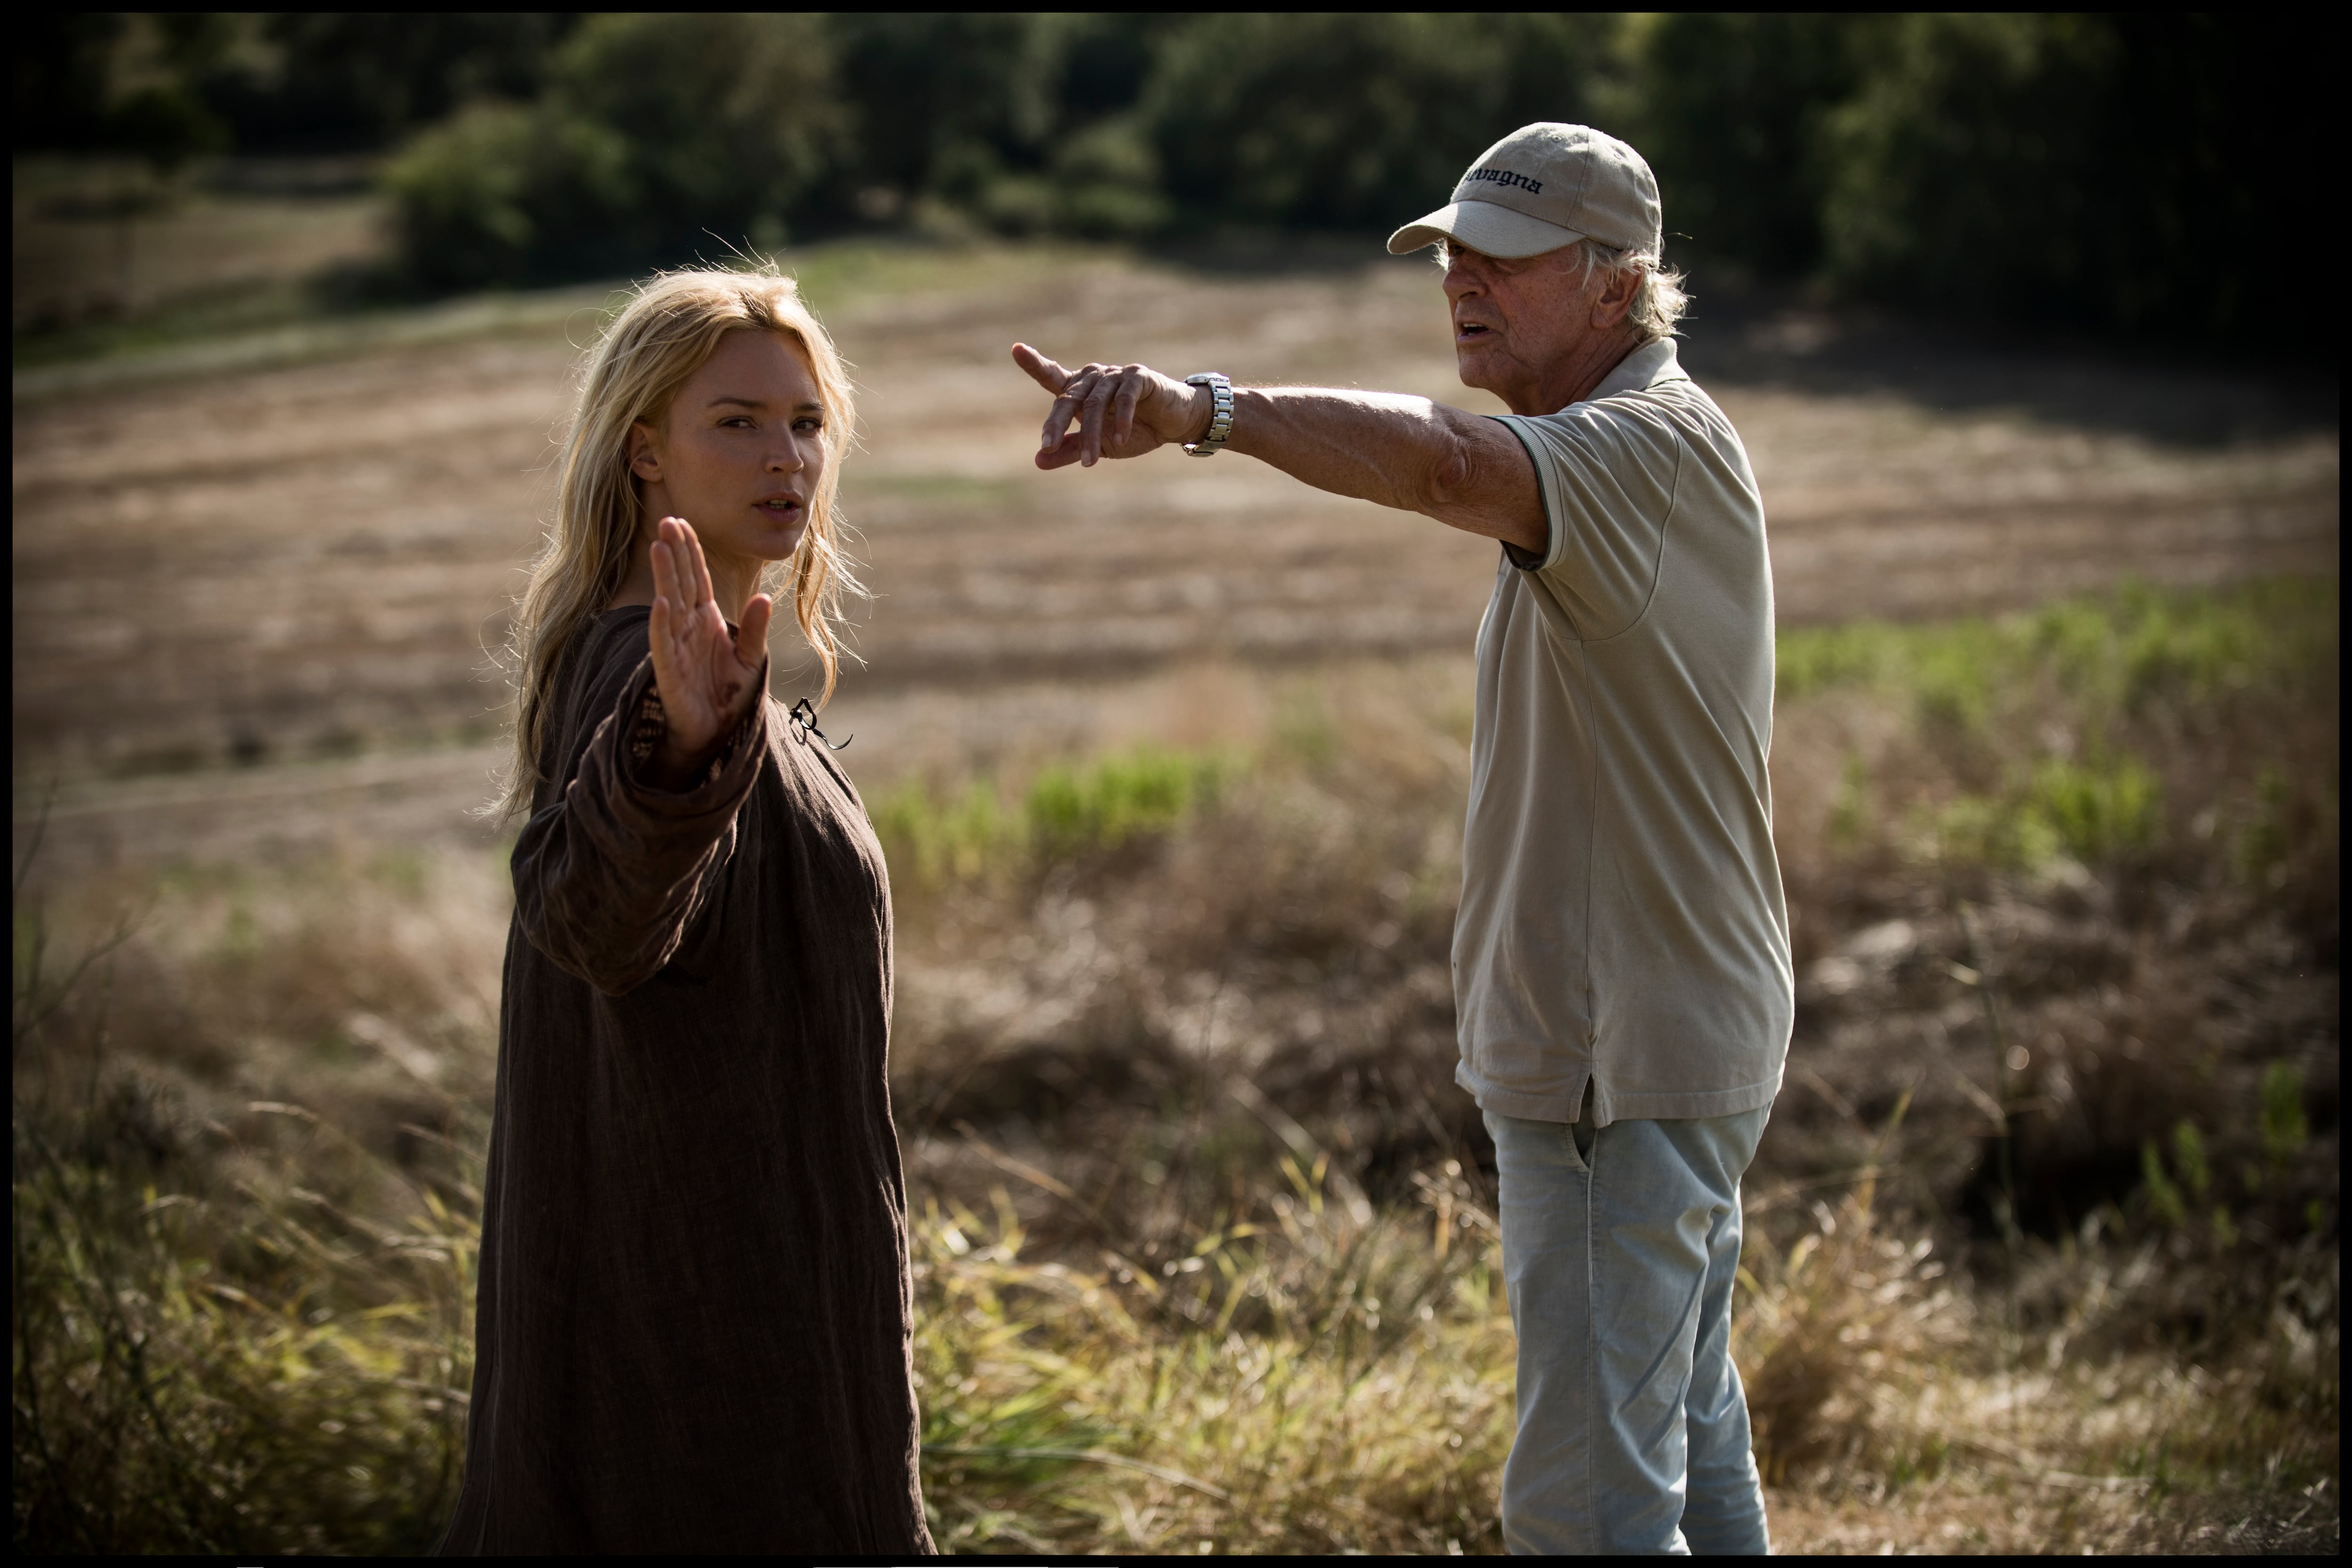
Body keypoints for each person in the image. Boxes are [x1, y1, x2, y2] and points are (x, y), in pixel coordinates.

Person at [1012, 123, 1791, 1555]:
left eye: (1504, 259)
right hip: (1637, 1047)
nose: (1461, 284)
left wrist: (1202, 410)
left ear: (1619, 288)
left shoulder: (1641, 451)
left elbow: (1439, 466)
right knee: (1678, 1440)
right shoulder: (1628, 449)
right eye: (1451, 257)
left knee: (1586, 1509)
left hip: (1624, 1061)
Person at [441, 268, 933, 1554]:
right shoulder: (644, 676)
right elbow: (600, 919)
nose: (788, 458)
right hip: (702, 1353)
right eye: (739, 422)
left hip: (753, 1305)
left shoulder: (716, 668)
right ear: (643, 451)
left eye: (808, 422)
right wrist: (671, 755)